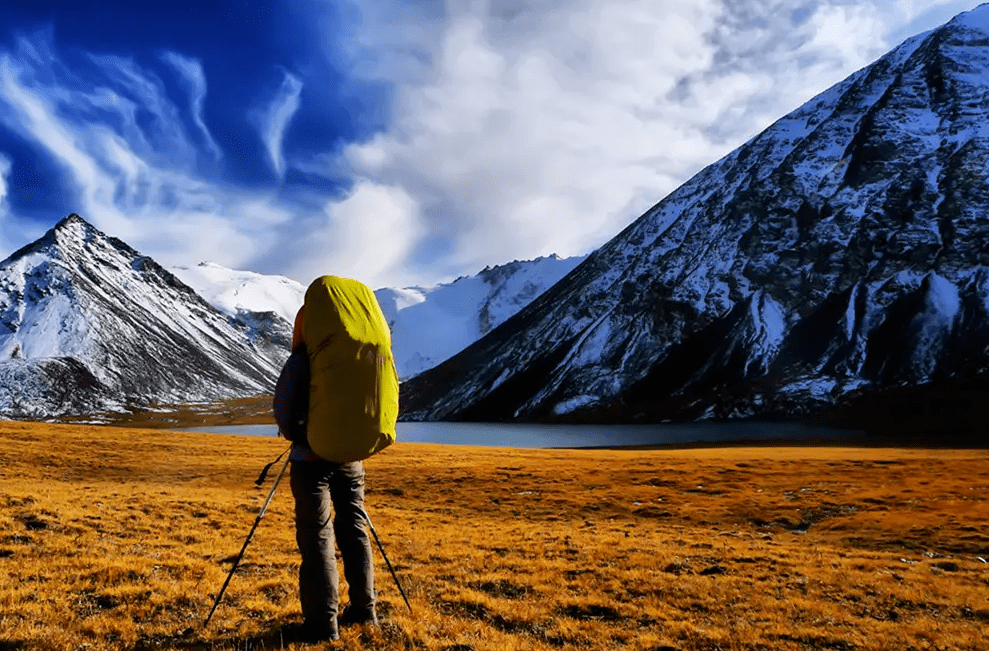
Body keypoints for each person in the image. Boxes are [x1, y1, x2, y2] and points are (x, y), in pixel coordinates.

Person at [274, 276, 399, 643]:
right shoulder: (365, 353)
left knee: (317, 538)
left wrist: (297, 433)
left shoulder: (305, 358)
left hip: (311, 460)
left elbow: (283, 408)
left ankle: (322, 626)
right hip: (351, 458)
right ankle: (365, 611)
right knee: (355, 530)